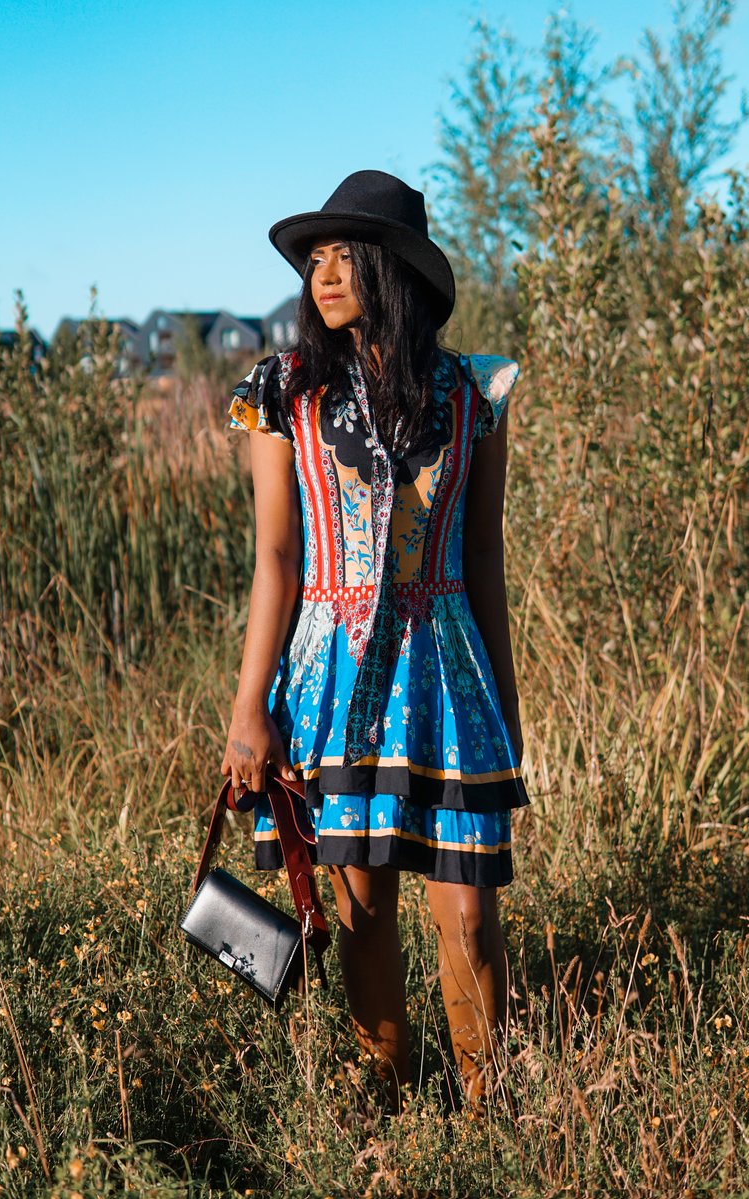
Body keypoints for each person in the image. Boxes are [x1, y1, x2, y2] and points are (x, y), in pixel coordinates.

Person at [222, 170, 530, 1109]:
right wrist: (246, 709)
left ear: (394, 267)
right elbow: (275, 558)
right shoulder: (283, 392)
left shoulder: (475, 393)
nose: (321, 274)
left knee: (470, 914)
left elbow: (484, 559)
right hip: (332, 673)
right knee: (359, 911)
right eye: (312, 259)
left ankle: (491, 1123)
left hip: (449, 676)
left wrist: (508, 711)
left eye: (343, 254)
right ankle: (388, 1104)